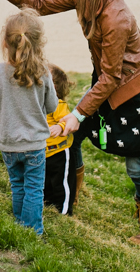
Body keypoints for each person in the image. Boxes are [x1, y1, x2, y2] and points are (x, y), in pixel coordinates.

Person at [0, 0, 140, 246]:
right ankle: (68, 197)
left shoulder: (116, 16)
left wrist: (78, 113)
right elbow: (40, 5)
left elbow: (112, 76)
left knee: (136, 162)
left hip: (133, 90)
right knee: (75, 135)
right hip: (106, 84)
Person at [0, 9, 58, 236]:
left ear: (5, 43)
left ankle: (21, 226)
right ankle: (33, 231)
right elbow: (52, 107)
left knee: (18, 185)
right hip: (35, 144)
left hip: (9, 143)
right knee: (34, 188)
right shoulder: (43, 73)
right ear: (38, 43)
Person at [44, 64, 77, 216]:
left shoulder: (57, 104)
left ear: (54, 87)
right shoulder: (38, 103)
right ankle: (48, 204)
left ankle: (64, 211)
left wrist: (60, 127)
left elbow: (67, 120)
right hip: (43, 152)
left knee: (61, 183)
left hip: (59, 152)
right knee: (46, 182)